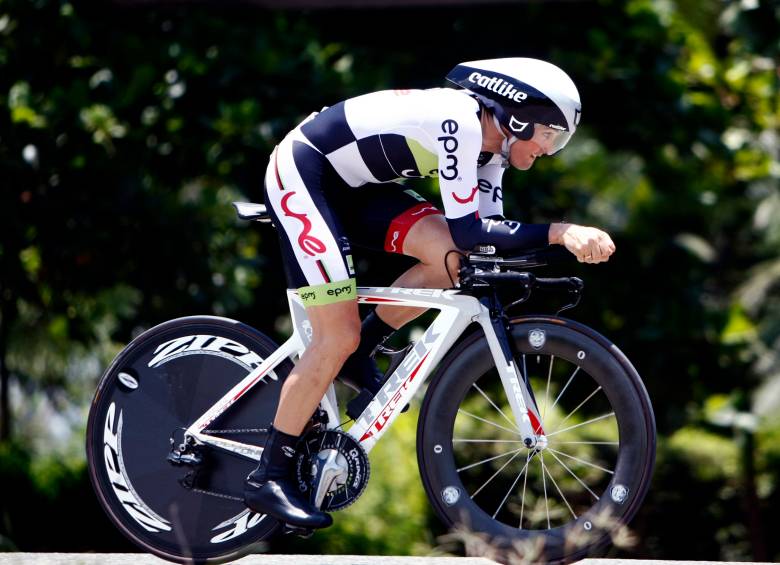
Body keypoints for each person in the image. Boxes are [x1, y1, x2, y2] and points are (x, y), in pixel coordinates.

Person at [244, 57, 616, 529]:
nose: (551, 148)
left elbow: (480, 237)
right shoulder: (460, 121)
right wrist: (560, 232)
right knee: (335, 336)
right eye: (550, 134)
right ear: (518, 116)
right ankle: (268, 475)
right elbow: (469, 227)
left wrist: (546, 248)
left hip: (353, 188)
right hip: (304, 174)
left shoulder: (493, 151)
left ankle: (366, 346)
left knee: (453, 261)